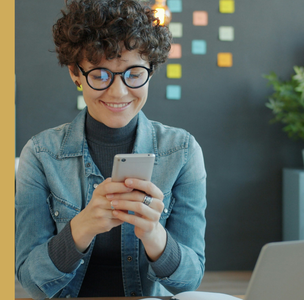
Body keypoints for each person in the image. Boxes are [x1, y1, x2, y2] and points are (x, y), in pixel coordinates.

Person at [15, 0, 207, 299]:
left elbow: (189, 281)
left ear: (151, 71)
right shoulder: (40, 153)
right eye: (100, 74)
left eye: (133, 73)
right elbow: (31, 280)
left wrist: (154, 235)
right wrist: (81, 228)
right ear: (75, 74)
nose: (118, 92)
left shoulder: (182, 151)